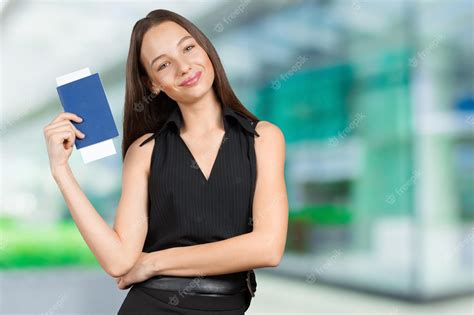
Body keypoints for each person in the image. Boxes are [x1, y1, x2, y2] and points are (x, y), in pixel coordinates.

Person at [43, 9, 288, 314]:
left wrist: (154, 262)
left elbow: (268, 247)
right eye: (163, 64)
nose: (184, 67)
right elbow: (119, 260)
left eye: (188, 48)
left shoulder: (263, 138)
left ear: (206, 50)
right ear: (153, 84)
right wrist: (61, 170)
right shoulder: (144, 151)